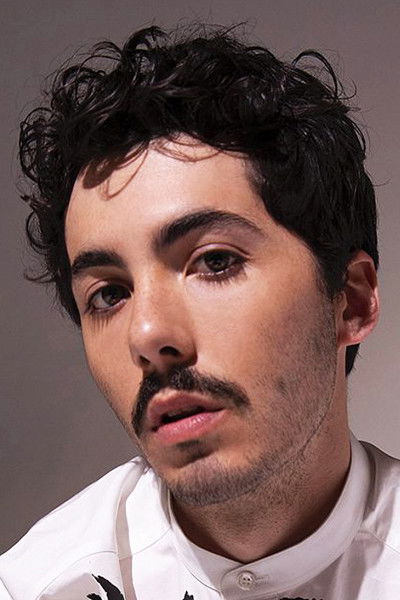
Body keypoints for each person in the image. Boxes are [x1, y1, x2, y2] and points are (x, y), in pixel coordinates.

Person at [0, 23, 398, 600]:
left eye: (214, 262)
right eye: (109, 294)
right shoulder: (33, 586)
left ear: (351, 300)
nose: (147, 334)